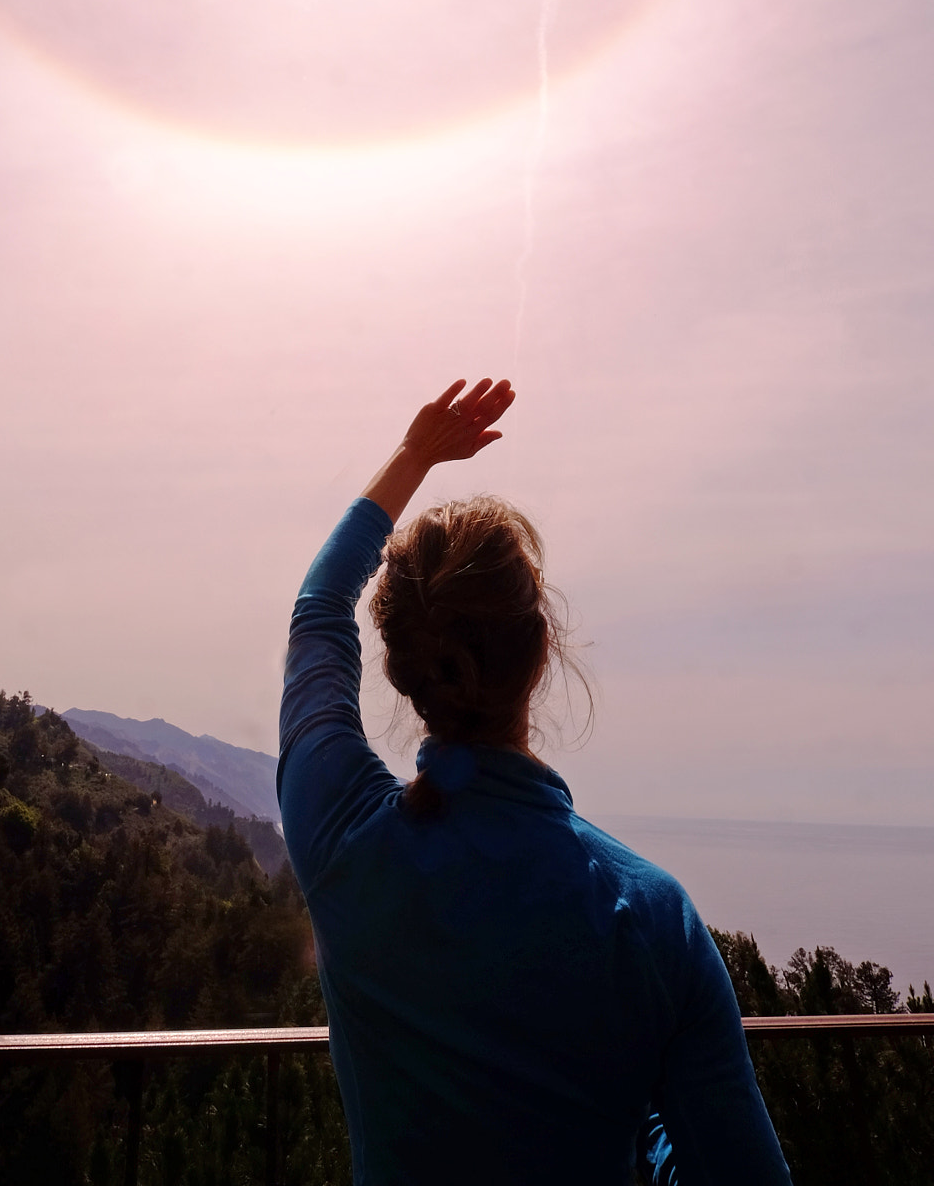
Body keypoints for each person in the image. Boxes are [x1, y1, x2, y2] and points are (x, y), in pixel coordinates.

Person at [278, 377, 792, 1185]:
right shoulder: (650, 918)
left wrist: (413, 457)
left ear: (405, 667)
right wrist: (647, 1123)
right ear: (542, 652)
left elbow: (317, 611)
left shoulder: (343, 838)